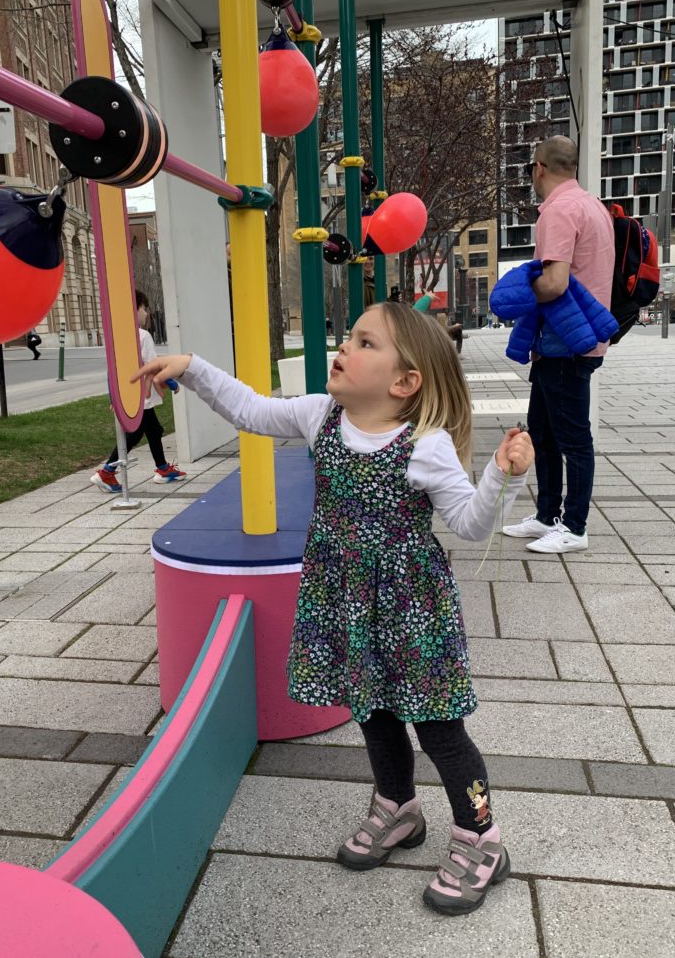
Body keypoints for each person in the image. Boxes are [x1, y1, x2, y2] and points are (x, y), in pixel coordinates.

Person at [134, 302, 534, 916]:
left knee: (439, 726)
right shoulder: (322, 415)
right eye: (350, 336)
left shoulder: (424, 446)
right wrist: (191, 367)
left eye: (366, 342)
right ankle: (398, 806)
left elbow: (470, 524)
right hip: (345, 600)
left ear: (404, 382)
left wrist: (503, 477)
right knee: (371, 710)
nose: (344, 346)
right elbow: (251, 409)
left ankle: (481, 835)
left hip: (412, 611)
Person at [503, 135, 614, 554]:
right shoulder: (592, 206)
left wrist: (517, 291)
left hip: (564, 342)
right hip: (574, 339)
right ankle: (547, 515)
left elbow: (554, 283)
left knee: (572, 439)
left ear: (539, 167)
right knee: (544, 433)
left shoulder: (558, 211)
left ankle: (574, 527)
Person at [90, 293, 185, 493]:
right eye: (144, 308)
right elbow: (153, 365)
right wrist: (171, 383)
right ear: (135, 309)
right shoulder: (142, 335)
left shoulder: (117, 336)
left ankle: (162, 468)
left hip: (130, 393)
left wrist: (114, 396)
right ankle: (107, 471)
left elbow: (112, 370)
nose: (147, 313)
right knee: (135, 433)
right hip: (143, 393)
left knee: (154, 429)